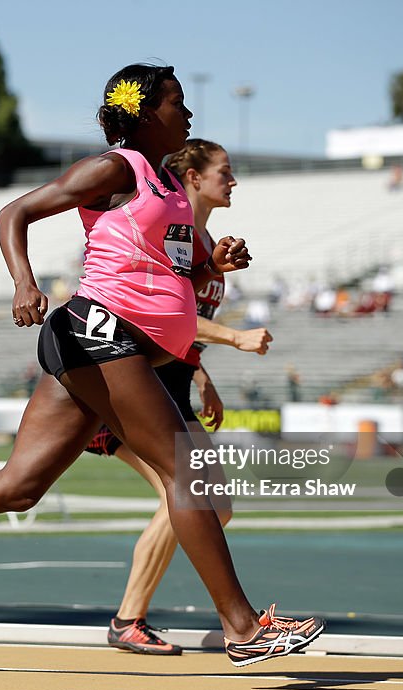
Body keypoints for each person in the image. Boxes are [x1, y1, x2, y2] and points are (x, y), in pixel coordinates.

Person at [0, 64, 324, 667]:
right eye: (178, 103)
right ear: (146, 112)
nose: (187, 115)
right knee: (188, 470)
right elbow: (13, 214)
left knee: (18, 488)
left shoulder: (170, 189)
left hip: (112, 347)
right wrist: (24, 283)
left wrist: (213, 268)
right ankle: (243, 628)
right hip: (98, 333)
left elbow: (167, 276)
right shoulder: (115, 168)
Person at [85, 138, 273, 656]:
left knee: (218, 504)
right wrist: (234, 337)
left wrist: (201, 375)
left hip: (173, 383)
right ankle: (131, 619)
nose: (232, 181)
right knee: (188, 493)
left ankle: (138, 617)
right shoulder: (172, 233)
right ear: (193, 177)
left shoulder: (206, 239)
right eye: (225, 172)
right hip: (128, 380)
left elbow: (185, 327)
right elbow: (156, 312)